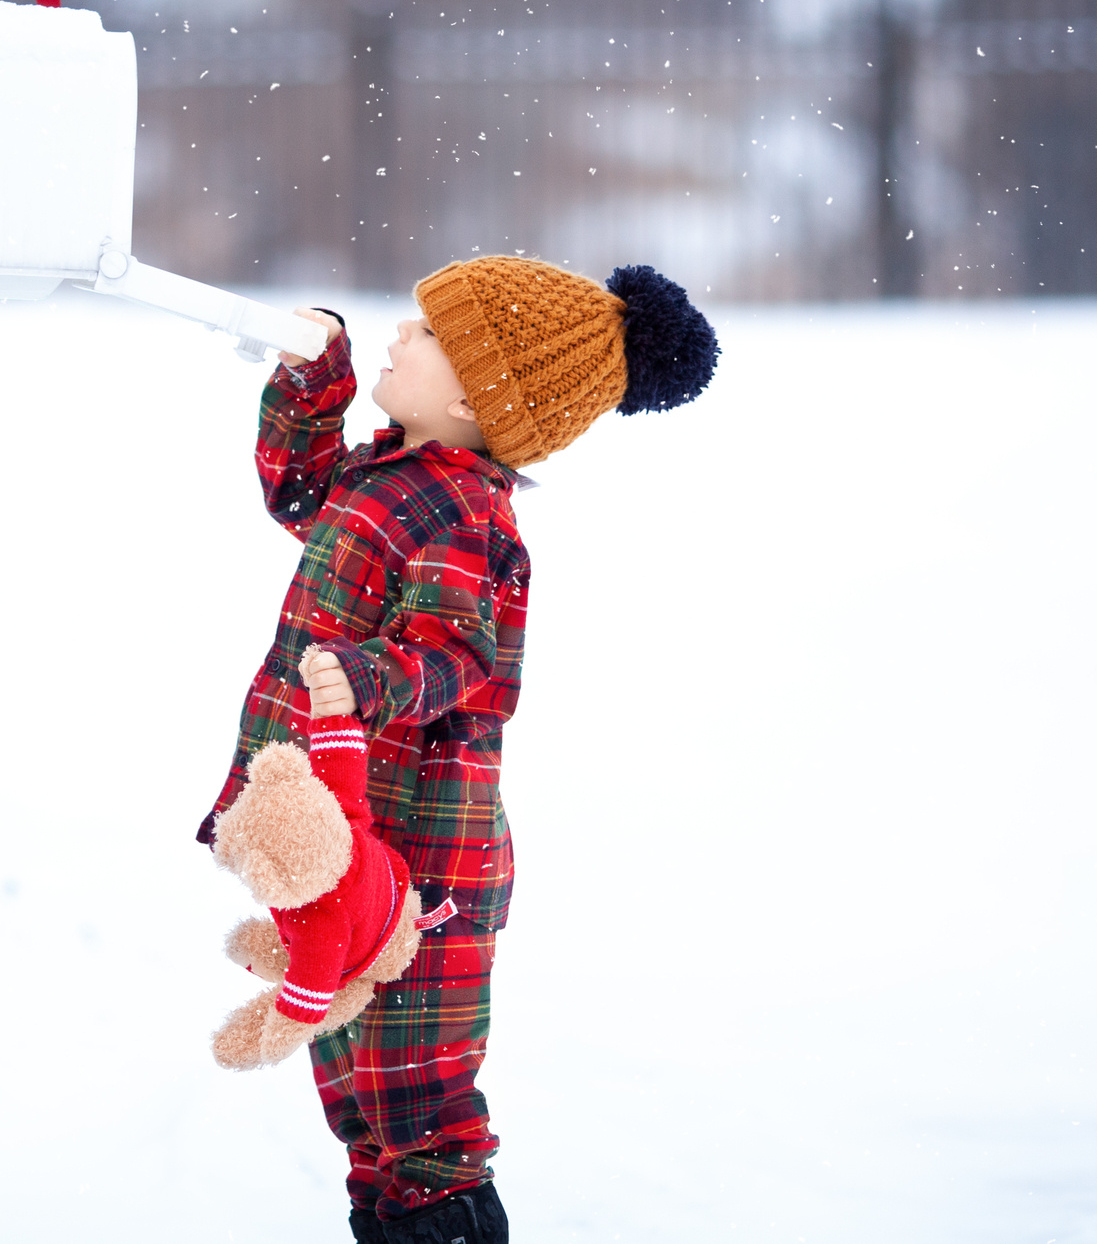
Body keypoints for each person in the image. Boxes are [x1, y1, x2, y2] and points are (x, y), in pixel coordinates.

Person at [198, 256, 719, 1244]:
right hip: (350, 845)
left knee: (419, 1111)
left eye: (429, 332)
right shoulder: (388, 475)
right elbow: (298, 491)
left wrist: (367, 674)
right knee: (355, 1090)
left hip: (423, 854)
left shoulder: (465, 515)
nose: (401, 334)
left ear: (487, 396)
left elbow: (457, 650)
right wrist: (314, 377)